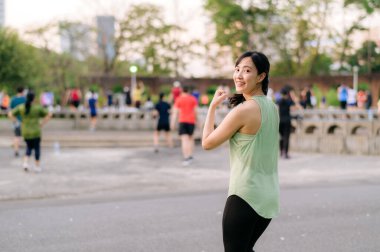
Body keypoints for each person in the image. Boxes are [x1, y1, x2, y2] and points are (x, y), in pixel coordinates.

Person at [202, 51, 279, 251]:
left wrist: (211, 108)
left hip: (245, 196)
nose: (239, 75)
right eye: (237, 69)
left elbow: (207, 143)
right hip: (268, 196)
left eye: (247, 71)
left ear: (261, 76)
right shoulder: (271, 107)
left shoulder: (244, 110)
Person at [8, 91, 52, 172]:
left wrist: (16, 122)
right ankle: (37, 166)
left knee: (28, 147)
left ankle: (25, 163)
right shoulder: (37, 108)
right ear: (34, 99)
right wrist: (42, 123)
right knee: (36, 148)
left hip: (25, 131)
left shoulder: (21, 107)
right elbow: (49, 114)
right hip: (36, 131)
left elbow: (10, 114)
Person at [170, 86, 198, 166]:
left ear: (182, 90)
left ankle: (186, 157)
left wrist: (172, 123)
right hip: (191, 121)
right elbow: (196, 112)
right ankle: (190, 155)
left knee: (184, 140)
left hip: (182, 121)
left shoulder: (178, 99)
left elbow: (175, 113)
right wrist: (198, 122)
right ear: (188, 91)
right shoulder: (193, 99)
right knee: (191, 139)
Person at [277, 87, 297, 159]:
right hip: (287, 121)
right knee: (286, 137)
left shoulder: (279, 101)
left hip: (280, 121)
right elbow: (294, 107)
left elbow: (277, 109)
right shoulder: (289, 101)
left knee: (281, 137)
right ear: (287, 94)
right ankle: (285, 153)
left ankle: (281, 152)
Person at [10, 87, 26, 157]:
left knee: (16, 136)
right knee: (26, 136)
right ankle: (28, 151)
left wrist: (14, 119)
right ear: (22, 91)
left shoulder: (13, 99)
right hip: (24, 120)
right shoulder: (25, 99)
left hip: (15, 120)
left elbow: (11, 110)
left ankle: (16, 150)